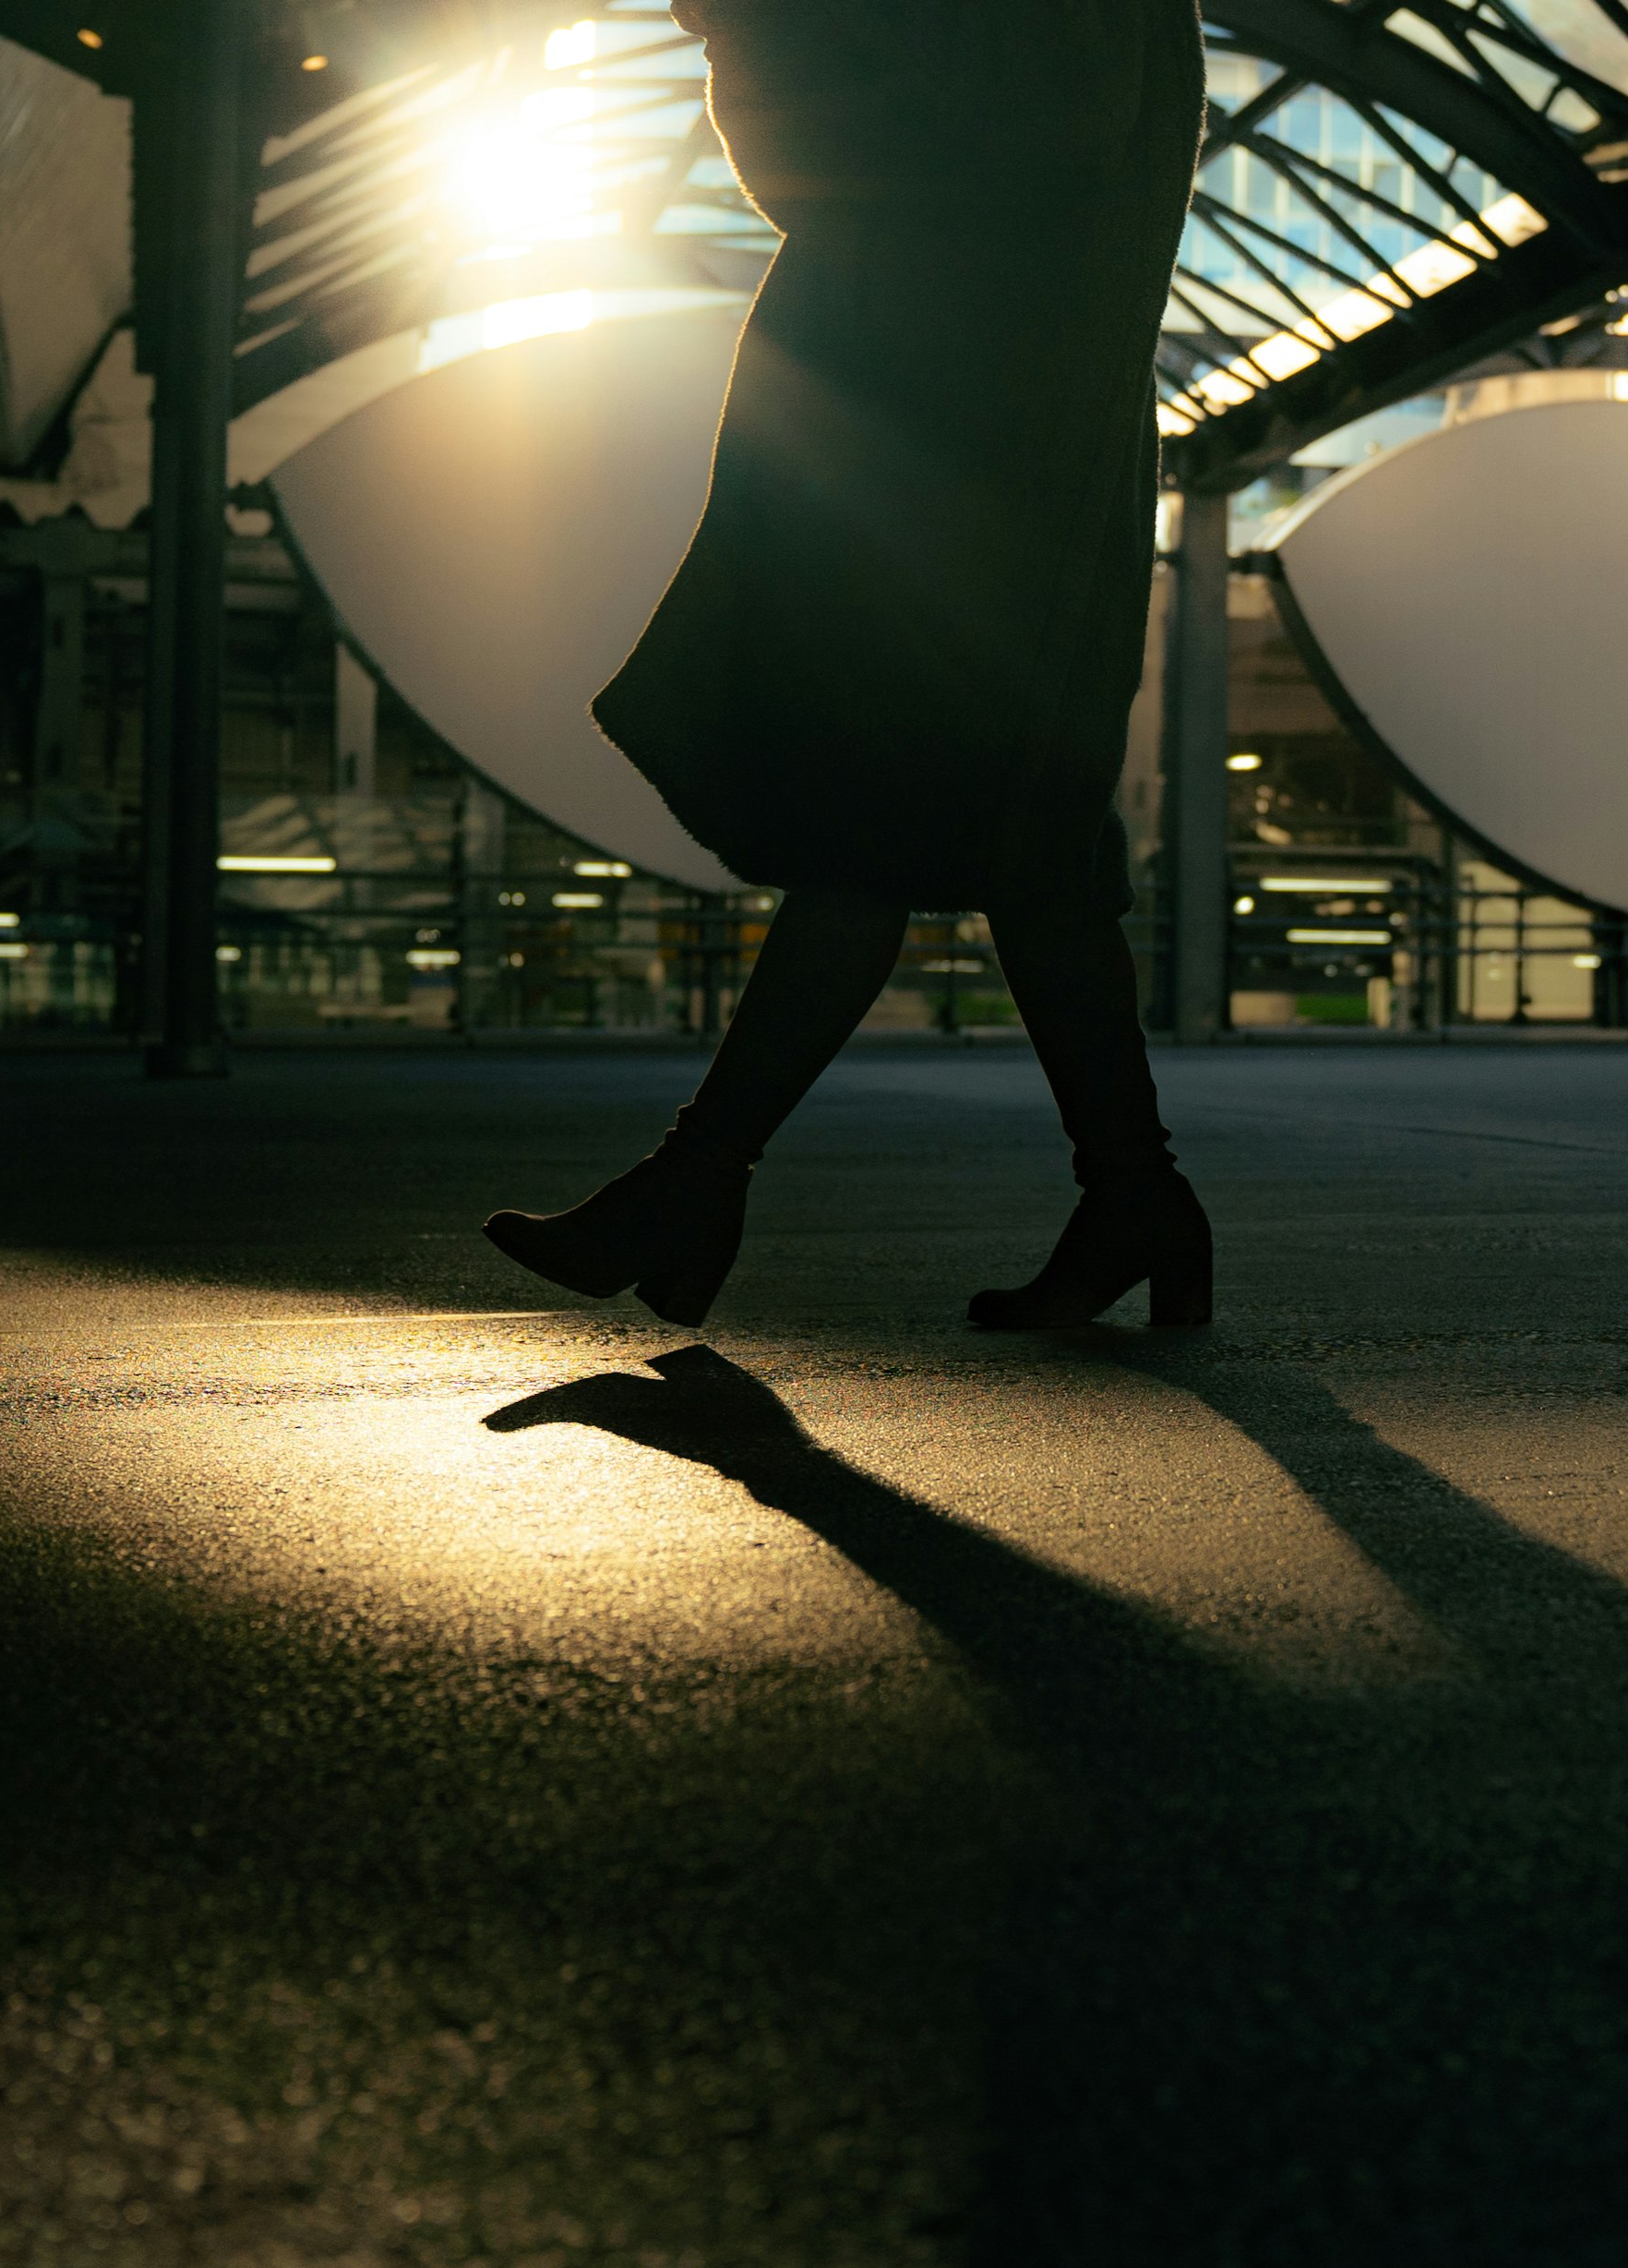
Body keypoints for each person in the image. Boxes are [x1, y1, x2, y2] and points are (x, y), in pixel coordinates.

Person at [484, 0, 1212, 1328]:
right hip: (1008, 460)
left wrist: (753, 22)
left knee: (886, 835)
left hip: (965, 469)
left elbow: (849, 167)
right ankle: (1133, 1195)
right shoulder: (1118, 35)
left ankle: (697, 1184)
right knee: (1017, 853)